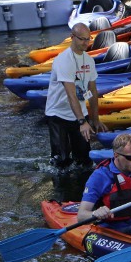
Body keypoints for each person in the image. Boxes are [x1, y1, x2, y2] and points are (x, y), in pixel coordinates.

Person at [45, 22, 107, 169]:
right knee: (62, 163)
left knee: (84, 161)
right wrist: (82, 122)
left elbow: (92, 91)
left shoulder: (89, 60)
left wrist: (95, 119)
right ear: (72, 37)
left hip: (79, 113)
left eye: (88, 39)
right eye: (82, 39)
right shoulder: (64, 60)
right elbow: (71, 94)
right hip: (58, 114)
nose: (86, 43)